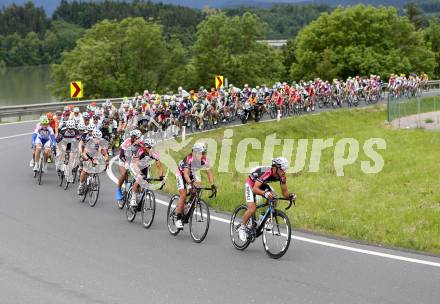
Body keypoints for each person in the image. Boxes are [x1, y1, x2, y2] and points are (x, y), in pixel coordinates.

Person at [238, 157, 296, 242]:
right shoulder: (267, 173)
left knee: (274, 197)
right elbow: (255, 189)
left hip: (261, 184)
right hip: (251, 184)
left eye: (285, 170)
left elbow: (285, 193)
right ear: (275, 168)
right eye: (282, 170)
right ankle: (242, 228)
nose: (284, 172)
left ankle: (263, 218)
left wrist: (290, 196)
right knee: (252, 209)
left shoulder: (282, 176)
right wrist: (265, 193)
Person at [175, 143, 216, 230]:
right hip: (181, 174)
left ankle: (189, 204)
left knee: (198, 187)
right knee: (183, 194)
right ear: (196, 153)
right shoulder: (189, 158)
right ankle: (178, 219)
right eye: (202, 153)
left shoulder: (204, 159)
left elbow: (209, 172)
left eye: (204, 153)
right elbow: (185, 174)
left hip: (192, 173)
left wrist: (212, 185)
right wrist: (190, 184)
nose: (204, 155)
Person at [129, 138, 164, 208]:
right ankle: (133, 198)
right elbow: (136, 164)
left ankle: (141, 195)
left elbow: (159, 166)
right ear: (145, 147)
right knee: (139, 178)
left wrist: (161, 178)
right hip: (135, 165)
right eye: (150, 147)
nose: (152, 149)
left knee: (147, 179)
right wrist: (140, 174)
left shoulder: (154, 153)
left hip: (145, 166)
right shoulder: (140, 151)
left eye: (153, 147)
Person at [77, 129, 109, 195]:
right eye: (97, 138)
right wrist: (88, 159)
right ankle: (81, 185)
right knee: (85, 170)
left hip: (96, 156)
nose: (98, 140)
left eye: (100, 138)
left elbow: (105, 154)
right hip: (87, 155)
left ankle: (93, 180)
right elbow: (84, 153)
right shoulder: (89, 141)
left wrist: (106, 160)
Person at [115, 129, 143, 201]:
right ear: (133, 138)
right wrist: (126, 162)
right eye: (137, 138)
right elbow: (121, 155)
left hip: (133, 159)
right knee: (124, 173)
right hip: (123, 159)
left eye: (139, 138)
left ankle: (137, 190)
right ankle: (118, 190)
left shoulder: (141, 142)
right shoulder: (126, 143)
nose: (138, 140)